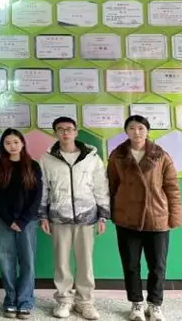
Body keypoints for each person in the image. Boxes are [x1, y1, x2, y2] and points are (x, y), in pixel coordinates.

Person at [107, 115, 182, 321]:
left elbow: (172, 187)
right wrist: (111, 212)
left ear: (147, 130)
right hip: (127, 217)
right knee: (131, 265)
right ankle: (136, 304)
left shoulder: (160, 155)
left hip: (157, 217)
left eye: (141, 128)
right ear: (126, 131)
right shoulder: (118, 156)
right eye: (132, 128)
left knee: (157, 266)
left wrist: (174, 216)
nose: (137, 132)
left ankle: (155, 305)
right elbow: (112, 186)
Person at [39, 117, 110, 320]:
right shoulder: (47, 159)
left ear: (76, 132)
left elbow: (101, 186)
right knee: (61, 262)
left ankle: (85, 302)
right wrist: (42, 215)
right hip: (59, 217)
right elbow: (43, 188)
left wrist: (103, 216)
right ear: (55, 133)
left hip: (86, 217)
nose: (65, 133)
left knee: (85, 262)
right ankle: (64, 300)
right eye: (60, 129)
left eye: (69, 129)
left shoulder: (91, 158)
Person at [0, 129, 43, 319]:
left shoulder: (33, 165)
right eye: (8, 143)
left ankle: (25, 301)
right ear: (3, 145)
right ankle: (10, 300)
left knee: (28, 262)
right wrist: (9, 220)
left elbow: (37, 196)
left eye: (16, 142)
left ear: (23, 143)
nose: (12, 146)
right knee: (6, 261)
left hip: (27, 222)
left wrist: (23, 220)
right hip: (4, 221)